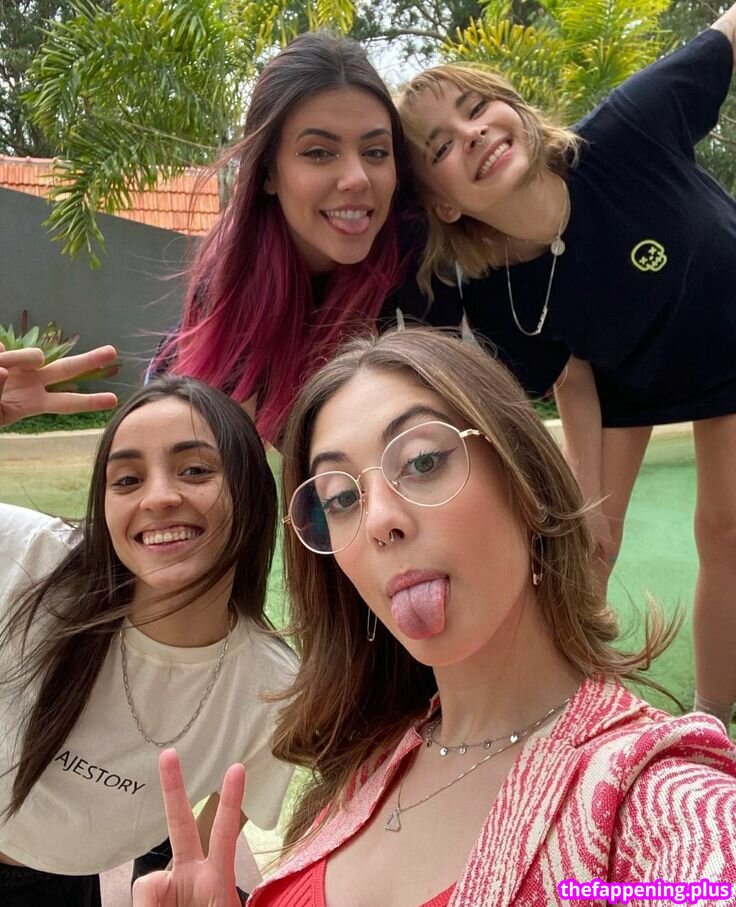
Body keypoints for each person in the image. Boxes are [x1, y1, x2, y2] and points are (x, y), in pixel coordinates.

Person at [132, 328, 736, 907]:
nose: (378, 521)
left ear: (524, 480)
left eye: (421, 462)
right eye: (340, 498)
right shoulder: (365, 760)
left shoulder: (654, 797)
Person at [394, 7, 736, 729]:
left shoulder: (631, 126)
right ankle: (559, 711)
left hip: (731, 335)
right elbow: (572, 374)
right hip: (630, 377)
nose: (471, 133)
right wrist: (588, 499)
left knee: (724, 527)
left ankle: (711, 718)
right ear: (443, 204)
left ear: (515, 109)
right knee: (585, 546)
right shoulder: (496, 290)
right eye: (441, 144)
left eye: (476, 107)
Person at [0, 346, 295, 905]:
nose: (158, 498)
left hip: (60, 881)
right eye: (127, 479)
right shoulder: (32, 555)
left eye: (195, 470)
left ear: (253, 494)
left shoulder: (273, 690)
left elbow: (199, 862)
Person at [150, 30, 462, 444]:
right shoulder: (231, 275)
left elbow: (451, 412)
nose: (357, 178)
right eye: (318, 152)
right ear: (267, 173)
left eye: (375, 152)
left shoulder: (414, 245)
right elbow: (225, 457)